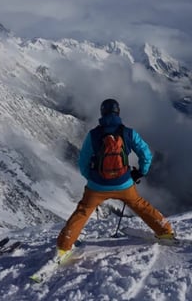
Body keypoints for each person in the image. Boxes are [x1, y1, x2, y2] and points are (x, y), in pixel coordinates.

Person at [56, 98, 174, 259]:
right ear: (118, 112)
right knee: (140, 205)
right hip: (124, 183)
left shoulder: (94, 135)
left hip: (96, 185)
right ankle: (165, 232)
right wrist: (140, 172)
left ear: (102, 113)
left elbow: (83, 160)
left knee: (82, 212)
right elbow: (146, 154)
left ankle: (64, 246)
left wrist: (91, 177)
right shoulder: (128, 133)